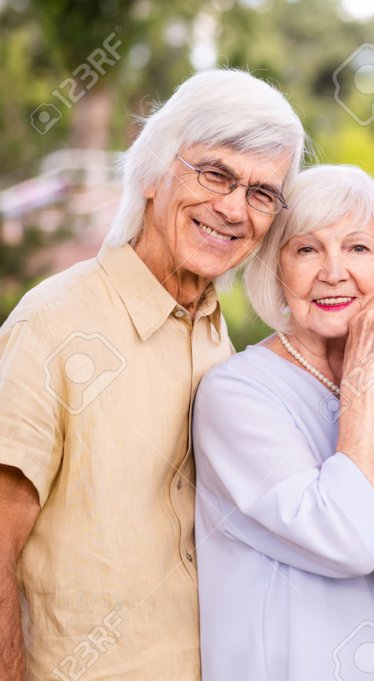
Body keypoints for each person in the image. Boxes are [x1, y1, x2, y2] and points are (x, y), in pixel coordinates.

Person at [0, 69, 305, 680]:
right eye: (215, 173)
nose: (233, 209)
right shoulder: (53, 323)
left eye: (261, 193)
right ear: (150, 173)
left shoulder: (222, 336)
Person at [192, 164, 374, 681]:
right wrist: (362, 382)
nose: (333, 272)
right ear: (276, 269)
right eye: (306, 249)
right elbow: (349, 541)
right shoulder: (237, 393)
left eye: (359, 248)